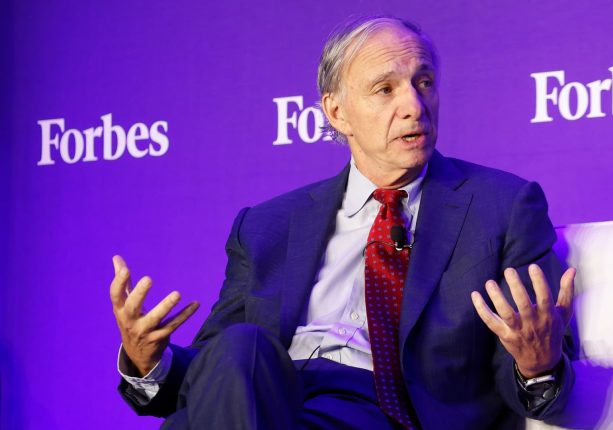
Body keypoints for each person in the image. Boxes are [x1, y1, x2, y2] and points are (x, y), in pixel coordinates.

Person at [110, 15, 576, 429]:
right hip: (263, 396)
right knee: (240, 348)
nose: (415, 105)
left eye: (424, 82)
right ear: (337, 112)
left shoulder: (501, 206)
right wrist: (147, 361)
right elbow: (205, 375)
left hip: (380, 408)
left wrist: (537, 365)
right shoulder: (268, 226)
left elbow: (531, 376)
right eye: (385, 89)